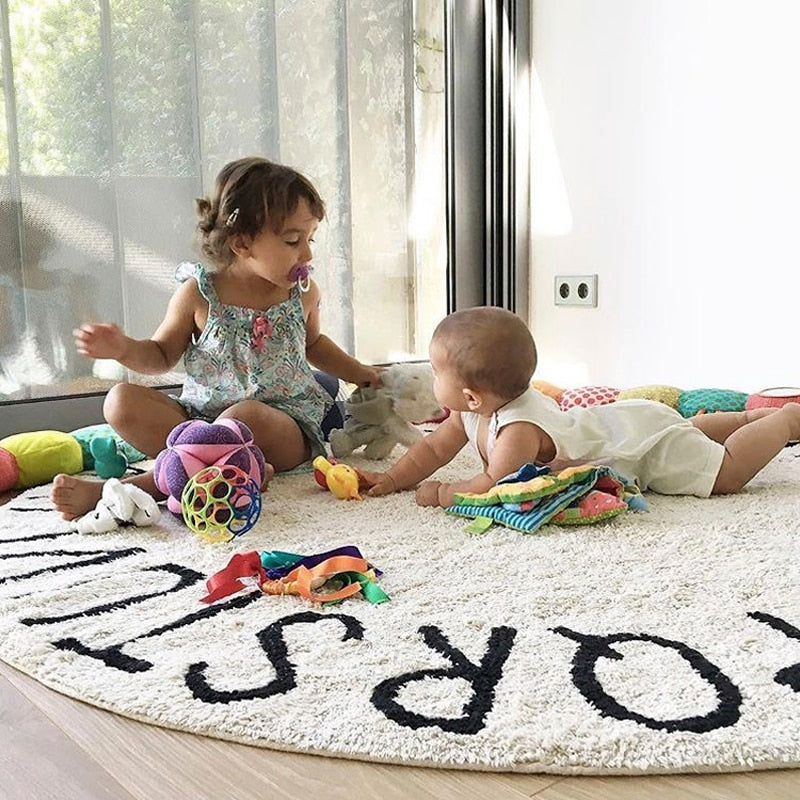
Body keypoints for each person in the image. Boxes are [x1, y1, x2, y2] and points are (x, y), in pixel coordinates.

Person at [53, 156, 380, 520]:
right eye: (292, 240)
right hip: (198, 417)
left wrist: (363, 373)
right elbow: (161, 355)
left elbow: (314, 344)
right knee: (120, 401)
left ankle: (136, 488)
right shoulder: (198, 293)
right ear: (241, 244)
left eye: (310, 238)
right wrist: (122, 349)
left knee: (244, 417)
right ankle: (241, 469)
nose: (306, 253)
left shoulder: (301, 292)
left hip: (279, 426)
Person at [363, 306, 800, 508]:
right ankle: (745, 418)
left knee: (725, 473)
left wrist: (442, 495)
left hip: (636, 445)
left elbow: (494, 486)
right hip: (625, 419)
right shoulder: (472, 411)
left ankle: (783, 420)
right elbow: (434, 450)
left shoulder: (516, 431)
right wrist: (393, 478)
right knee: (682, 427)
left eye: (436, 371)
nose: (431, 377)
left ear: (472, 395)